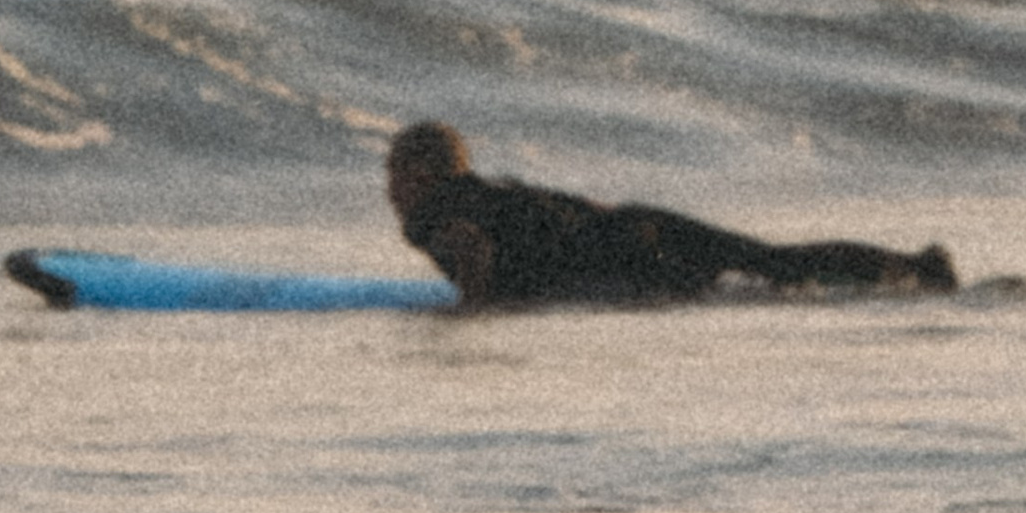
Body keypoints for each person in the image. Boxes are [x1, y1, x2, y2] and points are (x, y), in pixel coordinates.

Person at [385, 122, 956, 309]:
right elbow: (572, 209)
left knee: (763, 281)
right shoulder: (490, 191)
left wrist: (475, 309)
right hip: (631, 225)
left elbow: (470, 247)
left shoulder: (433, 211)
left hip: (621, 258)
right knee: (773, 261)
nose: (390, 190)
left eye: (394, 175)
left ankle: (911, 275)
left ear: (421, 174)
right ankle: (917, 268)